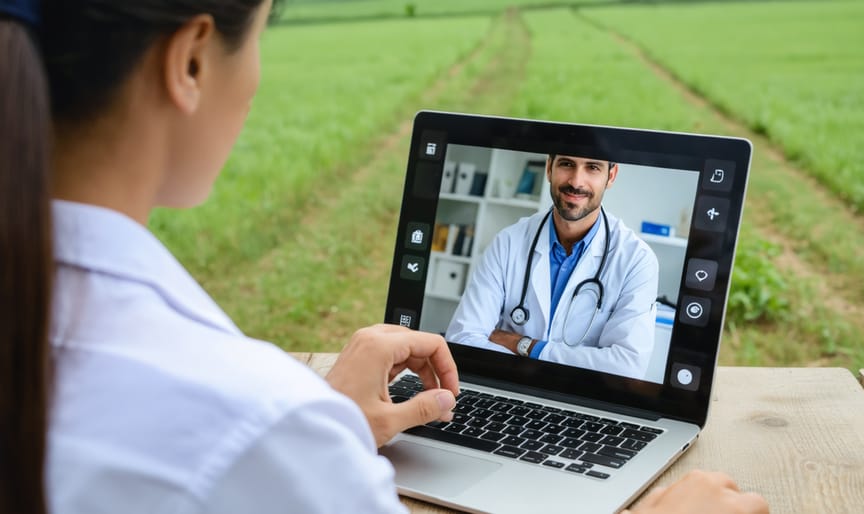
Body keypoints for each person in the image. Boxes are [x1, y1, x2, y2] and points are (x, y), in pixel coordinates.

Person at [0, 1, 768, 513]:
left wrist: (518, 346)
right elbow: (468, 339)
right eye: (264, 33)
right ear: (192, 60)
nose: (574, 179)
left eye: (589, 168)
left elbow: (617, 354)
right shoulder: (257, 425)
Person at [446, 154, 659, 379]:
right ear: (549, 168)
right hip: (507, 385)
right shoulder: (508, 242)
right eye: (567, 164)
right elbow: (463, 338)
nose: (576, 182)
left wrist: (527, 346)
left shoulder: (636, 259)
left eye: (592, 168)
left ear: (611, 176)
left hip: (583, 400)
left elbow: (627, 367)